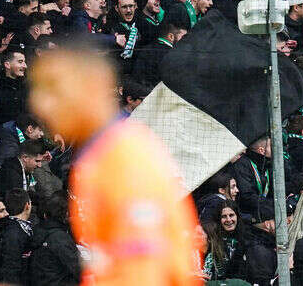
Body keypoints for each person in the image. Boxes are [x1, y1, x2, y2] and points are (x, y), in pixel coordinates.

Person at [28, 40, 200, 285]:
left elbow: (145, 256)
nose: (41, 103)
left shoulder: (122, 157)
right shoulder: (99, 152)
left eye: (53, 89)